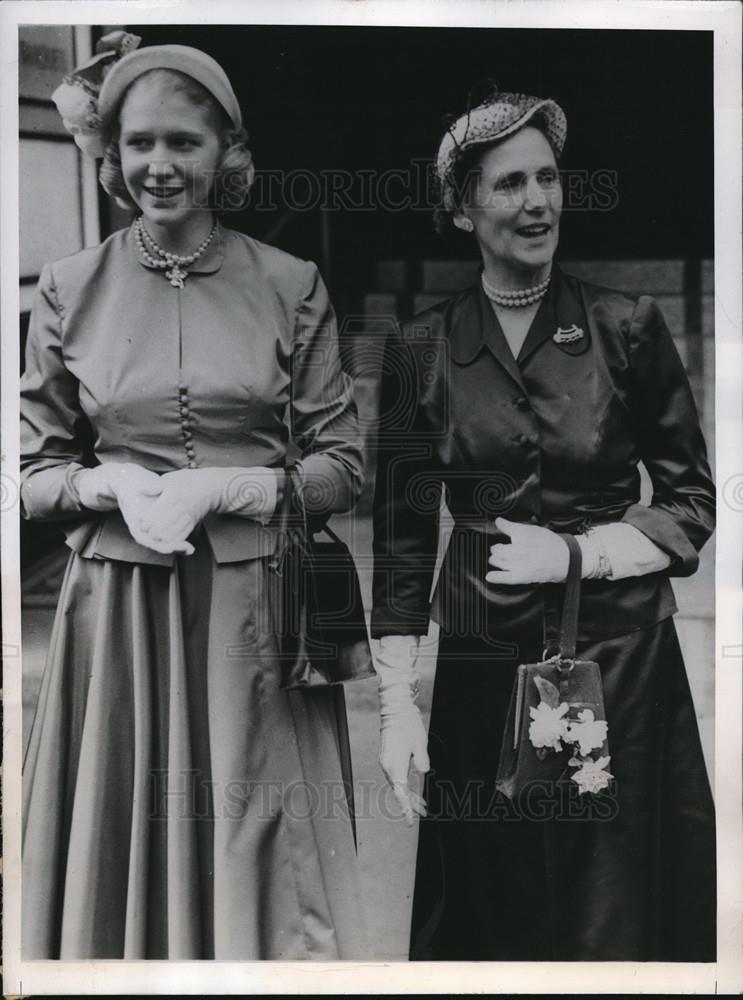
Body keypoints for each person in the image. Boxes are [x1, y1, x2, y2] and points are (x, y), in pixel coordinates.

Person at [21, 36, 368, 960]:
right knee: (127, 837)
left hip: (256, 611)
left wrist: (236, 484)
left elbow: (343, 463)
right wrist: (106, 482)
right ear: (111, 156)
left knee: (266, 852)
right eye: (139, 144)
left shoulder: (290, 285)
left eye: (185, 143)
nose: (160, 167)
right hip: (121, 615)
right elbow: (29, 473)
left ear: (227, 155)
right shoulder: (66, 289)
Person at [371, 86, 716, 961]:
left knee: (619, 906)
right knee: (496, 905)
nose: (536, 202)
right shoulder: (421, 349)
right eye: (509, 184)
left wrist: (577, 554)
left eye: (548, 179)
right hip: (482, 665)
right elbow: (404, 538)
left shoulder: (624, 327)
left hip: (623, 660)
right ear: (460, 208)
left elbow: (690, 503)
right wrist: (396, 705)